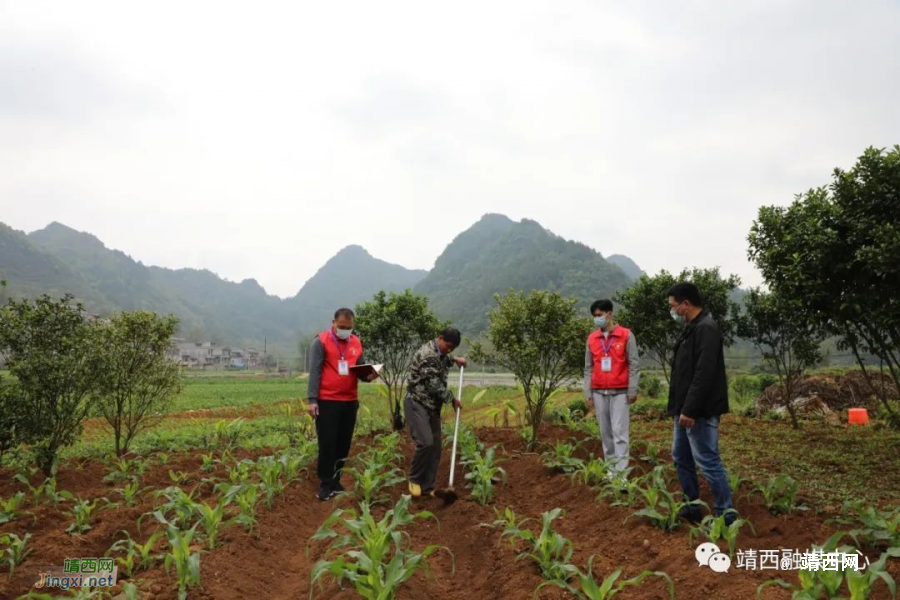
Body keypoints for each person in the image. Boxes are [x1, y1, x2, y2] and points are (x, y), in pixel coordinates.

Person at [667, 282, 735, 524]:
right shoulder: (691, 328)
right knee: (681, 456)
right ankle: (692, 506)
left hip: (698, 411)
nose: (672, 311)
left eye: (674, 306)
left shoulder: (706, 329)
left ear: (686, 304)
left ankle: (725, 514)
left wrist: (690, 409)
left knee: (707, 459)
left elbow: (703, 374)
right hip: (684, 408)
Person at [307, 307, 379, 501]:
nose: (345, 330)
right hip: (327, 401)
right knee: (327, 443)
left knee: (343, 443)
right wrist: (312, 400)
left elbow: (360, 371)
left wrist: (370, 376)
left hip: (349, 401)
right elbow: (314, 372)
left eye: (349, 327)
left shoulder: (356, 342)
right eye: (342, 326)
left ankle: (337, 480)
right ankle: (325, 484)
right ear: (333, 323)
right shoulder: (320, 341)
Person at [404, 327, 467, 498]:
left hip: (432, 407)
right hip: (417, 403)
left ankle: (428, 487)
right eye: (448, 345)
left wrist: (454, 360)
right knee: (425, 442)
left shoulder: (439, 353)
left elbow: (444, 360)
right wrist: (452, 399)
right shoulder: (427, 354)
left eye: (453, 348)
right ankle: (414, 480)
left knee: (435, 448)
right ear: (440, 338)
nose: (449, 349)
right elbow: (433, 385)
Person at [583, 299, 640, 479]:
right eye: (594, 316)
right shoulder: (592, 338)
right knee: (605, 433)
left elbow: (634, 364)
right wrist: (588, 392)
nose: (597, 319)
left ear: (610, 314)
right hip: (599, 391)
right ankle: (611, 471)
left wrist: (632, 389)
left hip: (620, 392)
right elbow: (588, 367)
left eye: (599, 315)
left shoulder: (626, 335)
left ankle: (622, 475)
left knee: (619, 432)